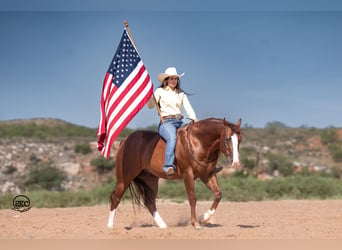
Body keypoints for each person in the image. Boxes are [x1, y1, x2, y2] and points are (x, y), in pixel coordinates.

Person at [147, 67, 197, 177]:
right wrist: (148, 97)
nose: (174, 81)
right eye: (171, 79)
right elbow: (151, 106)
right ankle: (168, 166)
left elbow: (188, 107)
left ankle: (199, 163)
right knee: (172, 137)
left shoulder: (181, 93)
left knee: (196, 134)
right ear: (166, 80)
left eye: (175, 79)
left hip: (180, 121)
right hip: (166, 122)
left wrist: (194, 119)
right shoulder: (160, 91)